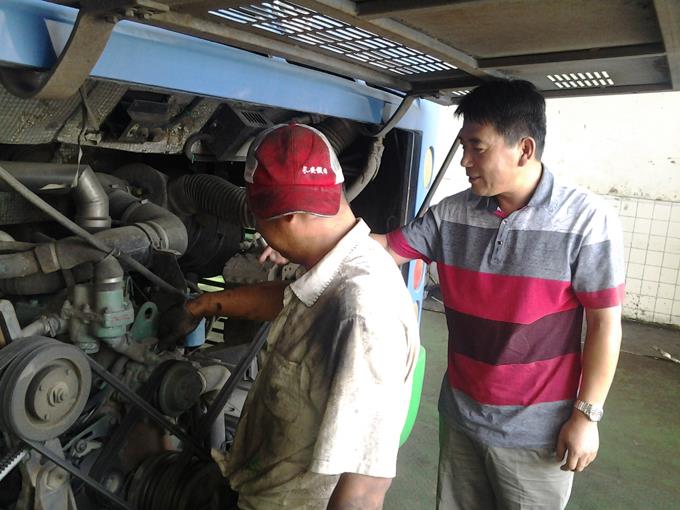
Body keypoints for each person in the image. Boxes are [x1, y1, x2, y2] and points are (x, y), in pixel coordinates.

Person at [372, 78, 625, 509]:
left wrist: (586, 416)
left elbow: (605, 324)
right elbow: (385, 249)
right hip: (461, 420)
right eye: (463, 147)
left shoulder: (586, 221)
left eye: (478, 147)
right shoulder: (452, 214)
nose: (465, 161)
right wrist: (312, 237)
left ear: (524, 149)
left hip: (539, 435)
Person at [164, 123, 420, 510]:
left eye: (257, 220)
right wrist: (202, 305)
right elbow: (293, 299)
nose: (260, 234)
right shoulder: (339, 268)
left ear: (287, 217)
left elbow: (364, 489)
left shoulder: (364, 314)